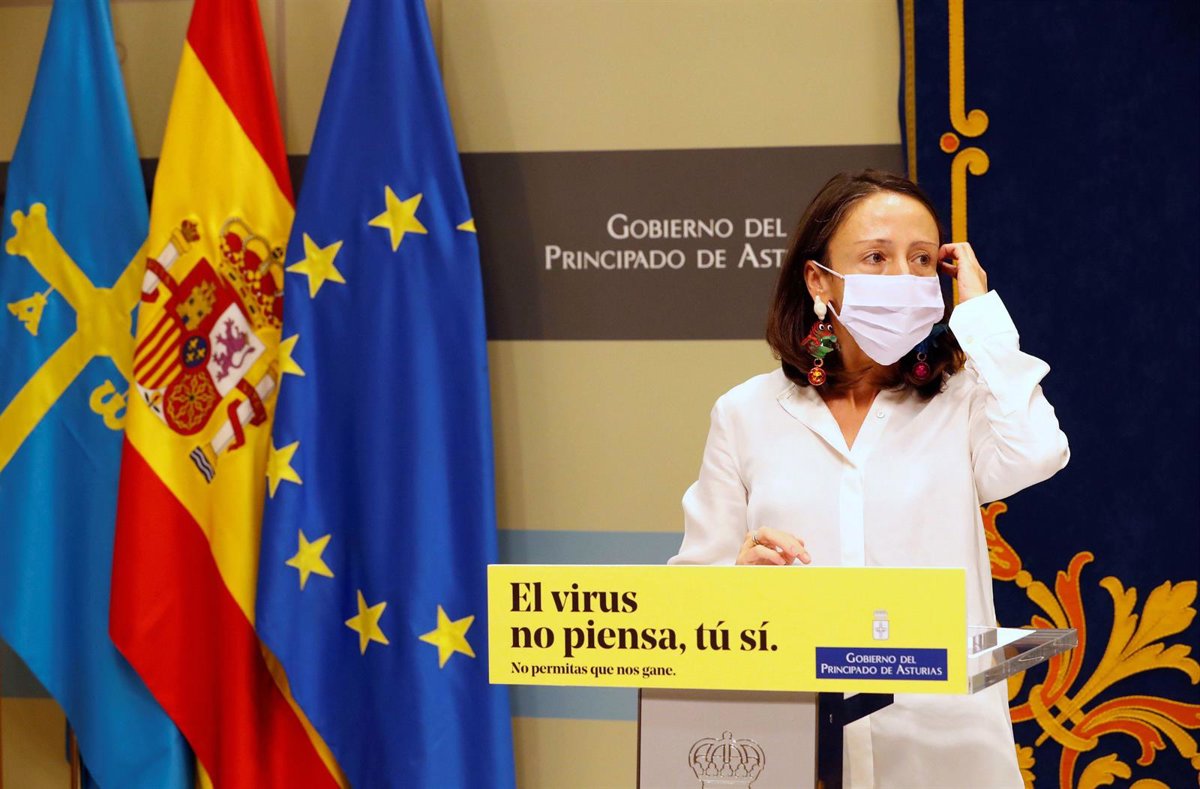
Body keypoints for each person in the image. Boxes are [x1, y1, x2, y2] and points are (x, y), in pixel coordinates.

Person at [669, 169, 1069, 788]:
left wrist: (981, 321)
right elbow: (695, 592)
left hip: (946, 753)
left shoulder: (965, 401)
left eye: (921, 260)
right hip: (798, 749)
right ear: (818, 279)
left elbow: (1038, 453)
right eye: (876, 258)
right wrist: (741, 578)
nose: (903, 278)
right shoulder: (746, 412)